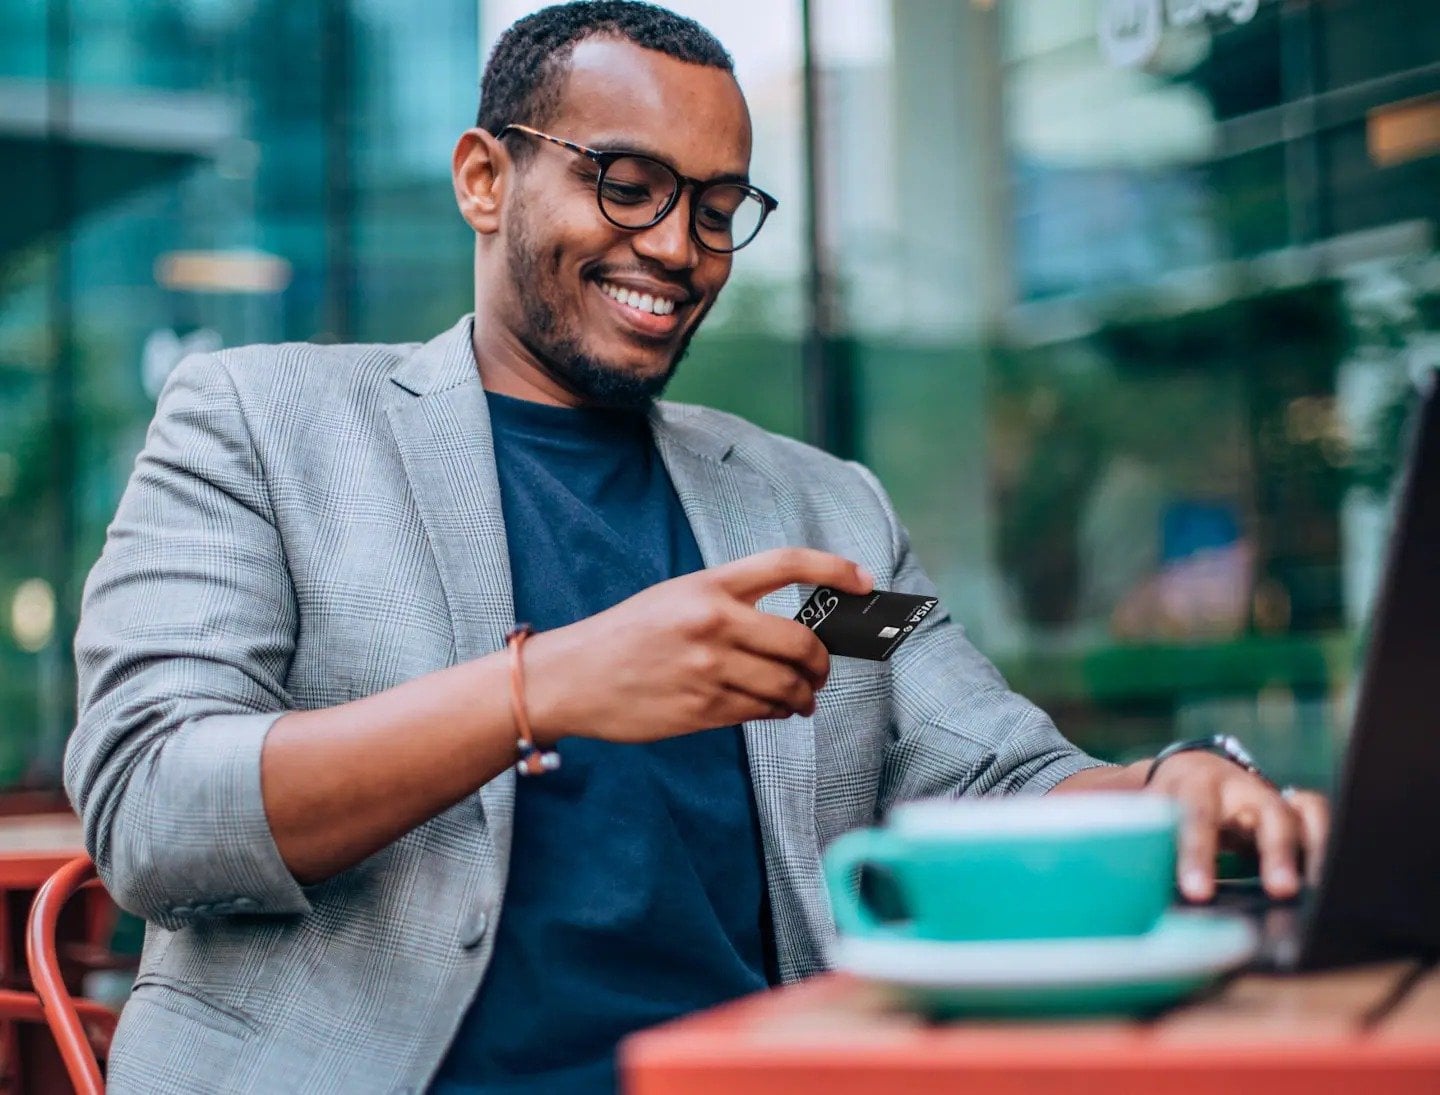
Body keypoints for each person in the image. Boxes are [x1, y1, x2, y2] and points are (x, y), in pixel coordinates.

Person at [67, 4, 1328, 1093]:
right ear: (484, 179)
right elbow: (153, 807)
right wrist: (543, 687)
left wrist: (1165, 792)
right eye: (628, 183)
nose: (678, 246)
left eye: (719, 209)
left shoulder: (821, 522)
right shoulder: (264, 425)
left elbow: (984, 771)